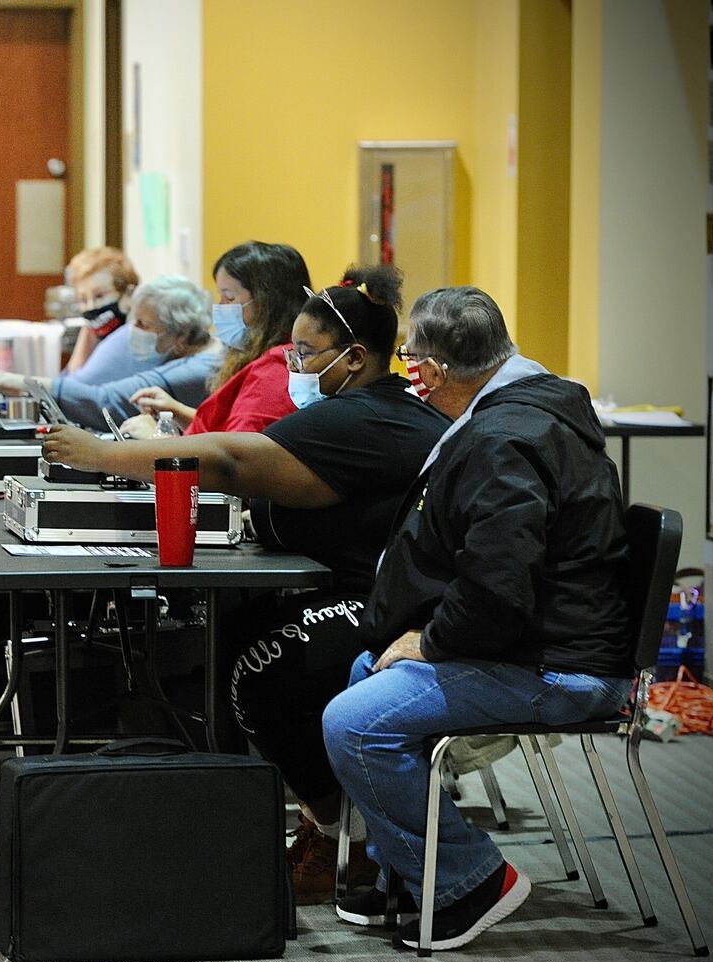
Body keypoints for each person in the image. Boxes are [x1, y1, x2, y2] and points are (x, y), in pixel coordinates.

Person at [40, 266, 450, 902]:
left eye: (306, 353)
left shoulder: (369, 418)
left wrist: (96, 452)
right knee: (228, 632)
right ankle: (316, 819)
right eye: (292, 350)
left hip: (400, 612)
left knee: (260, 670)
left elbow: (230, 459)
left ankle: (343, 829)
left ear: (357, 357)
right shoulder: (361, 409)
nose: (294, 365)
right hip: (355, 590)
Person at [322, 286, 632, 951]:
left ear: (430, 372)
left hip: (558, 665)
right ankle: (406, 873)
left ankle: (468, 882)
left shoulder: (504, 439)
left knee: (352, 722)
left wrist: (430, 641)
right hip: (540, 644)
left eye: (411, 365)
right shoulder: (527, 410)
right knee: (361, 673)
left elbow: (497, 587)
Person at [0, 274, 218, 425]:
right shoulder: (181, 351)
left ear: (180, 334)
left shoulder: (197, 370)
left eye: (143, 325)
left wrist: (1, 380)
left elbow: (103, 402)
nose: (132, 332)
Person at [123, 241, 311, 437]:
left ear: (266, 303)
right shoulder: (267, 358)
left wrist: (158, 439)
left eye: (229, 298)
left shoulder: (274, 370)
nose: (220, 306)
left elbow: (235, 456)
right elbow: (225, 428)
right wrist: (175, 411)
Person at [62, 246, 149, 383]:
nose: (91, 307)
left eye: (99, 296)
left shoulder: (140, 339)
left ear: (129, 294)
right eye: (83, 300)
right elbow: (67, 383)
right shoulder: (92, 336)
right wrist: (86, 339)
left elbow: (72, 390)